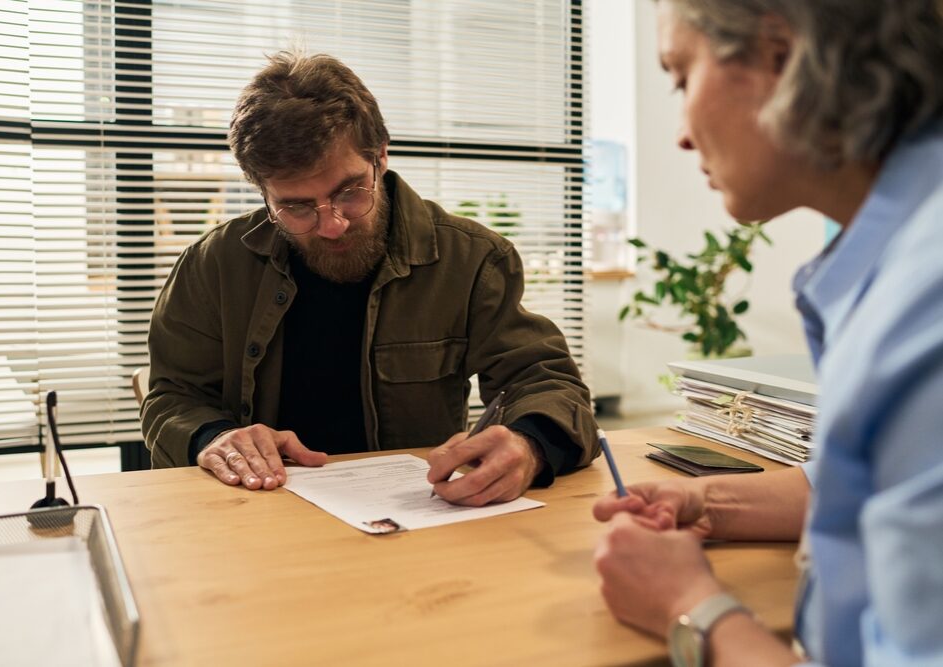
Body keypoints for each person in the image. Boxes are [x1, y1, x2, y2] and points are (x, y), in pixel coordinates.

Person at [592, 1, 943, 665]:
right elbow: (874, 476)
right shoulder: (901, 249)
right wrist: (709, 501)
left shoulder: (923, 307)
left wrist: (691, 608)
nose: (680, 136)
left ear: (781, 58)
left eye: (679, 75)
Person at [141, 52, 599, 507]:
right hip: (260, 513)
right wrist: (215, 437)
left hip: (415, 518)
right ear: (262, 191)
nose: (332, 224)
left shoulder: (471, 259)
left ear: (380, 156)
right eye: (296, 206)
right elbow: (172, 396)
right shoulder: (214, 264)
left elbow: (546, 381)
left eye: (349, 191)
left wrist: (530, 445)